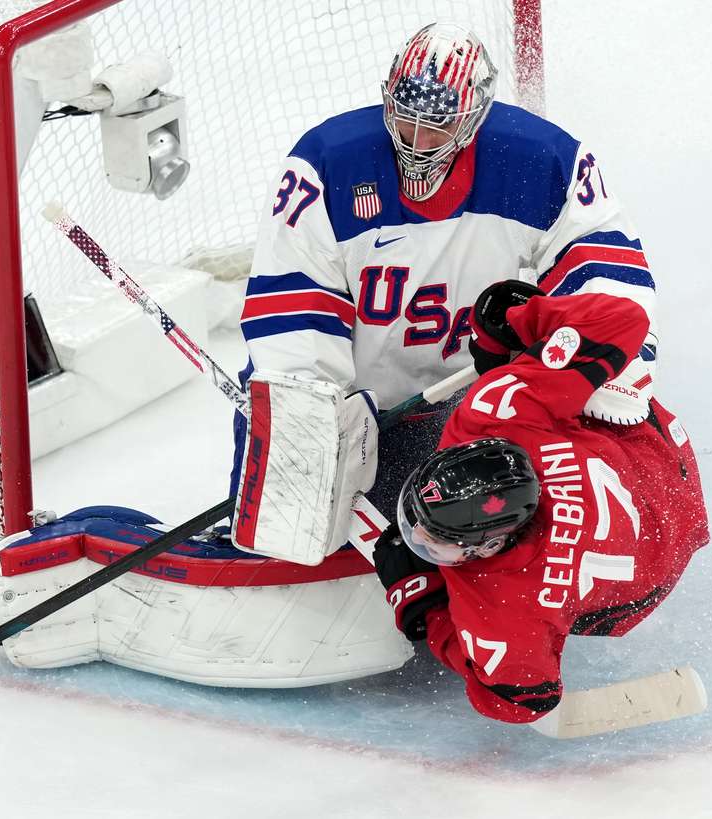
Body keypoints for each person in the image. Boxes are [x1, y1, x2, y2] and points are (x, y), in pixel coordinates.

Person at [232, 22, 661, 558]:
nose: (415, 141)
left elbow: (600, 255)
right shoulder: (326, 163)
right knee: (288, 533)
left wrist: (611, 360)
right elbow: (293, 304)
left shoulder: (538, 158)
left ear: (475, 116)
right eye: (404, 120)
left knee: (497, 528)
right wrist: (320, 412)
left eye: (436, 126)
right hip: (357, 404)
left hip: (468, 397)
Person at [372, 282, 709, 724]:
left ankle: (556, 372)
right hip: (661, 465)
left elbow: (522, 701)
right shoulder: (496, 412)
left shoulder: (505, 604)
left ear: (488, 546)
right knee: (588, 375)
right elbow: (624, 318)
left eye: (439, 544)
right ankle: (560, 373)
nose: (416, 535)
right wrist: (514, 329)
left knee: (549, 373)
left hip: (649, 574)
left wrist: (427, 609)